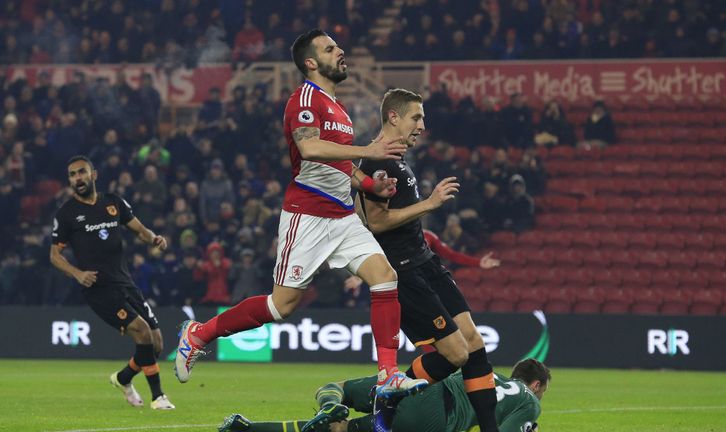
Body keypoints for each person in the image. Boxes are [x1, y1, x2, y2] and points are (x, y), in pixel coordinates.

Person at [174, 29, 426, 400]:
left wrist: (372, 188)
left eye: (339, 46)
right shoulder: (304, 99)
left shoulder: (338, 107)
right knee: (280, 306)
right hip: (307, 216)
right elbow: (308, 148)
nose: (340, 52)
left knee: (385, 278)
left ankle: (388, 373)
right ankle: (200, 333)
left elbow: (340, 165)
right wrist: (369, 151)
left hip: (342, 217)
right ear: (311, 62)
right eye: (330, 49)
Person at [352, 88, 499, 432]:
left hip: (425, 261)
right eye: (416, 117)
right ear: (393, 117)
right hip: (402, 271)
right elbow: (376, 221)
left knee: (474, 343)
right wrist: (430, 204)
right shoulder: (376, 162)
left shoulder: (398, 161)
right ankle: (388, 397)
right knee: (457, 354)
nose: (422, 125)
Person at [49, 156, 174, 410]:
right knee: (141, 331)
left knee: (156, 344)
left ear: (93, 174)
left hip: (125, 283)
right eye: (72, 175)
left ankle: (123, 379)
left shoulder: (113, 202)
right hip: (98, 288)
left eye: (82, 172)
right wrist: (77, 274)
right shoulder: (66, 214)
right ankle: (158, 396)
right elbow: (54, 255)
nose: (77, 178)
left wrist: (154, 239)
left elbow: (139, 229)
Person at [218, 358, 550, 432]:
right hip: (434, 417)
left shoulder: (484, 370)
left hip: (412, 384)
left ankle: (246, 427)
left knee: (336, 388)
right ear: (535, 385)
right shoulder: (528, 401)